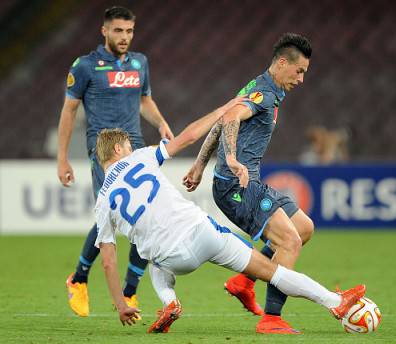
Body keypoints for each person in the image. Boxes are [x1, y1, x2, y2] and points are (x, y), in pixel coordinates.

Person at [93, 102, 366, 333]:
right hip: (203, 234)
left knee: (154, 263)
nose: (130, 148)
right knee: (273, 272)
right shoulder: (140, 157)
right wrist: (222, 110)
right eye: (127, 146)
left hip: (171, 258)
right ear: (119, 150)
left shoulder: (102, 201)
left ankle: (170, 302)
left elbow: (108, 261)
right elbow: (187, 137)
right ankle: (334, 301)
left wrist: (121, 305)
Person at [182, 32, 316, 334]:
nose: (301, 79)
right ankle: (271, 319)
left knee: (304, 228)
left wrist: (200, 164)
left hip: (243, 180)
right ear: (282, 63)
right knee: (290, 241)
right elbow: (229, 118)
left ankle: (244, 281)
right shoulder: (264, 94)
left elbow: (222, 121)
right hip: (236, 186)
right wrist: (230, 158)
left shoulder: (260, 88)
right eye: (299, 71)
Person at [57, 6, 174, 318]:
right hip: (104, 151)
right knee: (107, 217)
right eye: (119, 31)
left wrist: (161, 123)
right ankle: (79, 279)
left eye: (130, 31)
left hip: (134, 148)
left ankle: (129, 291)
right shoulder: (85, 66)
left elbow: (144, 100)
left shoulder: (139, 63)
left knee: (145, 217)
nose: (125, 37)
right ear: (104, 31)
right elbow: (69, 111)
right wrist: (63, 158)